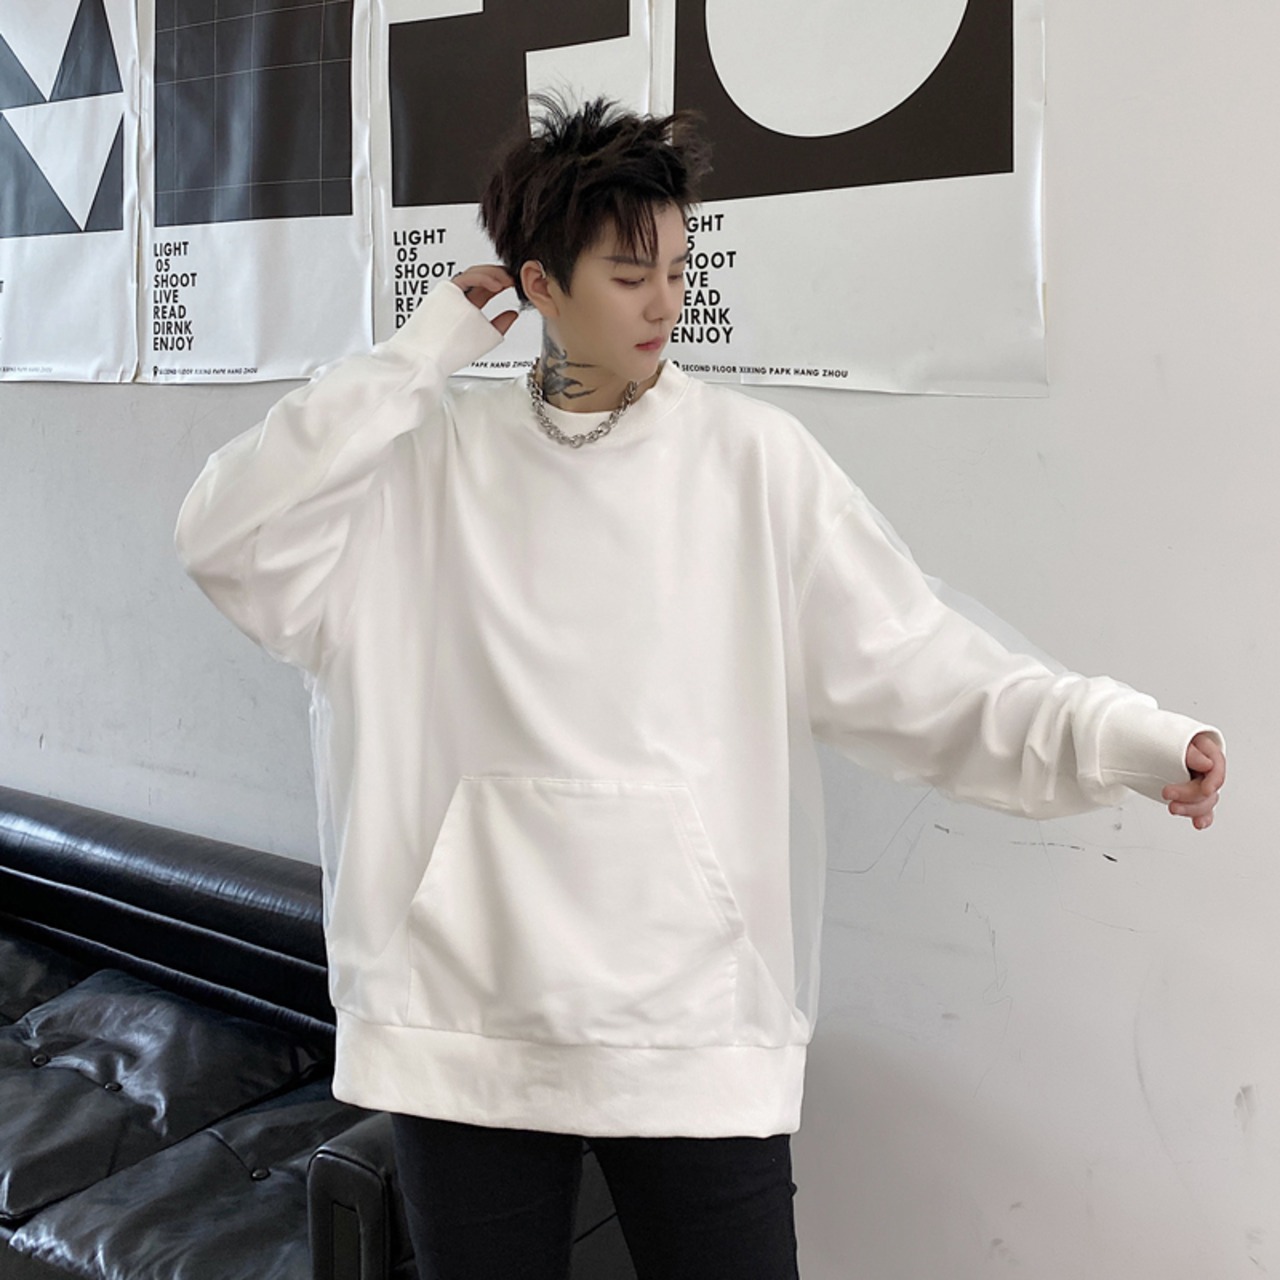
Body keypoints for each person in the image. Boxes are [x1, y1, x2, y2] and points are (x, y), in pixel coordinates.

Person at [173, 95, 1226, 1280]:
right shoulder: (421, 467)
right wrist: (420, 352)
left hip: (693, 1018)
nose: (664, 302)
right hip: (462, 1021)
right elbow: (225, 535)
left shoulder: (750, 462)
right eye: (629, 274)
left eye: (677, 268)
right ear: (538, 284)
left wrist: (1126, 737)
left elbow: (919, 663)